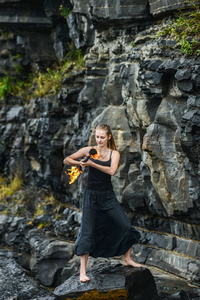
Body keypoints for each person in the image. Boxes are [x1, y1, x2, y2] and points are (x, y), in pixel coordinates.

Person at [63, 124, 141, 282]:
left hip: (108, 196)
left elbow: (112, 171)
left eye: (102, 137)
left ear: (109, 137)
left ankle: (126, 258)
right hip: (91, 196)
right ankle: (82, 272)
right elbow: (67, 159)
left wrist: (92, 164)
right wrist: (80, 164)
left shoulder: (114, 154)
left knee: (125, 226)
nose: (99, 140)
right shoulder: (88, 150)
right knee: (87, 232)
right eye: (97, 137)